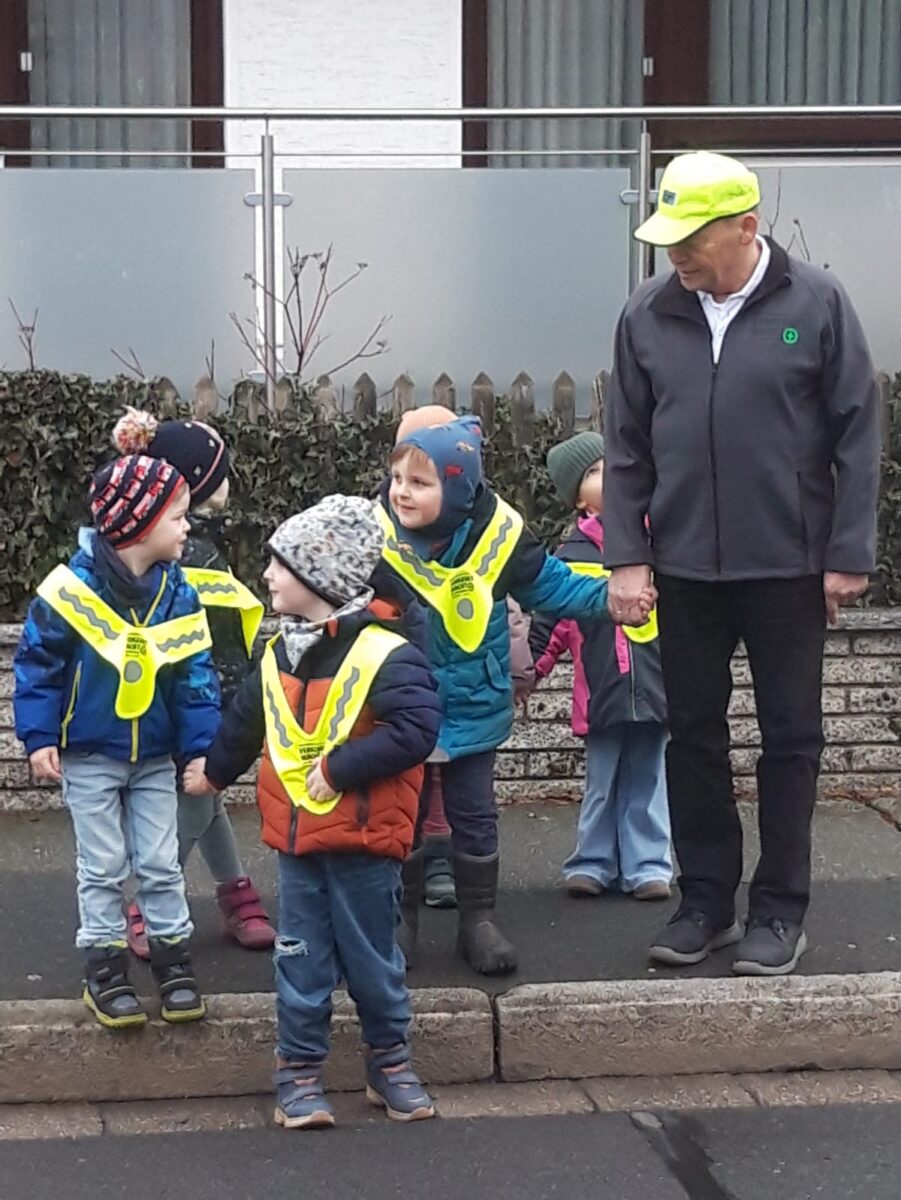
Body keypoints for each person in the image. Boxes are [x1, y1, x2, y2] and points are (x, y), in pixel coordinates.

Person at [603, 151, 881, 975]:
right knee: (689, 735)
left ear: (744, 228)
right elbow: (623, 447)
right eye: (667, 240)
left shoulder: (816, 303)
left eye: (691, 239)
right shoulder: (645, 314)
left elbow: (858, 435)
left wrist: (846, 554)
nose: (675, 255)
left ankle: (779, 911)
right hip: (684, 567)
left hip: (789, 567)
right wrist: (626, 555)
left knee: (790, 739)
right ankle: (704, 903)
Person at [183, 496, 441, 1129]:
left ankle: (390, 1064)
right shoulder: (279, 654)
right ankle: (297, 1074)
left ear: (322, 578)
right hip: (297, 845)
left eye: (281, 565)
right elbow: (246, 722)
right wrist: (214, 772)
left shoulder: (387, 653)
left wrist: (337, 768)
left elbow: (417, 730)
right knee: (298, 960)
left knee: (374, 961)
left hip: (363, 843)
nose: (267, 577)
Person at [376, 415, 654, 975]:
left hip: (473, 701)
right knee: (397, 818)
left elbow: (551, 584)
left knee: (474, 815)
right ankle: (396, 923)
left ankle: (477, 922)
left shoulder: (500, 533)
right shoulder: (370, 532)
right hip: (397, 703)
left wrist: (612, 600)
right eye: (397, 478)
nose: (401, 492)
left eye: (420, 482)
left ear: (456, 487)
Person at [14, 454, 220, 1027]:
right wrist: (38, 736)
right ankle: (104, 966)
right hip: (89, 753)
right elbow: (39, 666)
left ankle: (172, 960)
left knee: (160, 862)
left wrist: (199, 746)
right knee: (102, 864)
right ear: (139, 522)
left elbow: (195, 676)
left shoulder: (179, 595)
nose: (187, 527)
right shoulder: (69, 592)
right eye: (178, 516)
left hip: (155, 756)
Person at [111, 408, 275, 956]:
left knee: (209, 793)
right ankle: (148, 899)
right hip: (206, 698)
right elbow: (219, 639)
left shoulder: (193, 545)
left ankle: (233, 891)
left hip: (199, 695)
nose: (230, 482)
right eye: (220, 473)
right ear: (198, 484)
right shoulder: (191, 554)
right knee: (202, 793)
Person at [531, 431, 672, 900]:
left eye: (612, 465)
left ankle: (649, 864)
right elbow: (549, 623)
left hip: (656, 687)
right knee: (602, 780)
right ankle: (592, 861)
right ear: (578, 500)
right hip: (600, 693)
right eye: (593, 472)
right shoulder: (571, 558)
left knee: (650, 777)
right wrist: (528, 671)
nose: (607, 476)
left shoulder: (663, 545)